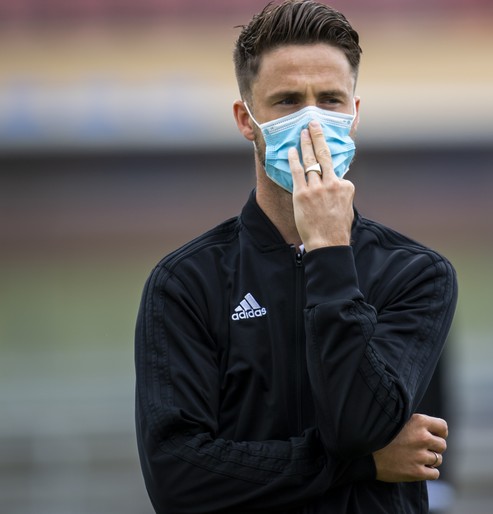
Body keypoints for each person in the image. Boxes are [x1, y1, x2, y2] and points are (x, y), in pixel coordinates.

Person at [133, 1, 458, 512]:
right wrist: (360, 464)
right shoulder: (185, 283)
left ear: (354, 114)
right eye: (287, 101)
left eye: (330, 99)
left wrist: (329, 248)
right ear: (246, 119)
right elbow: (179, 478)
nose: (312, 120)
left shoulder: (416, 273)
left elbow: (360, 424)